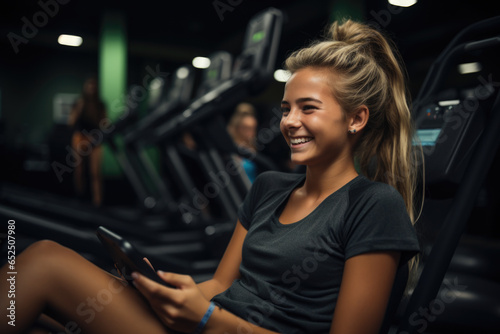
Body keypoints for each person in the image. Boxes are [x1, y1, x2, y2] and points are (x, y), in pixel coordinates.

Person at [0, 19, 420, 334]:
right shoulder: (269, 187)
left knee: (45, 263)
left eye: (308, 108)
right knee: (42, 308)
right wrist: (174, 293)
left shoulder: (374, 205)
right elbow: (220, 282)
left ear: (356, 118)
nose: (290, 121)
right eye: (286, 108)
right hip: (209, 324)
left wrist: (210, 321)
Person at [67, 76, 107, 207]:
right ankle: (79, 199)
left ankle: (97, 202)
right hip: (80, 137)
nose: (91, 88)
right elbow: (70, 122)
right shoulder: (79, 102)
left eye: (93, 86)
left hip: (94, 138)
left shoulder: (100, 104)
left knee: (95, 172)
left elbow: (104, 123)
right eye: (89, 85)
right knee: (79, 171)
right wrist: (79, 108)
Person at [227, 102, 259, 182]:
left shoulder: (251, 147)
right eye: (247, 129)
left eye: (253, 129)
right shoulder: (231, 149)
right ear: (238, 128)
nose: (251, 133)